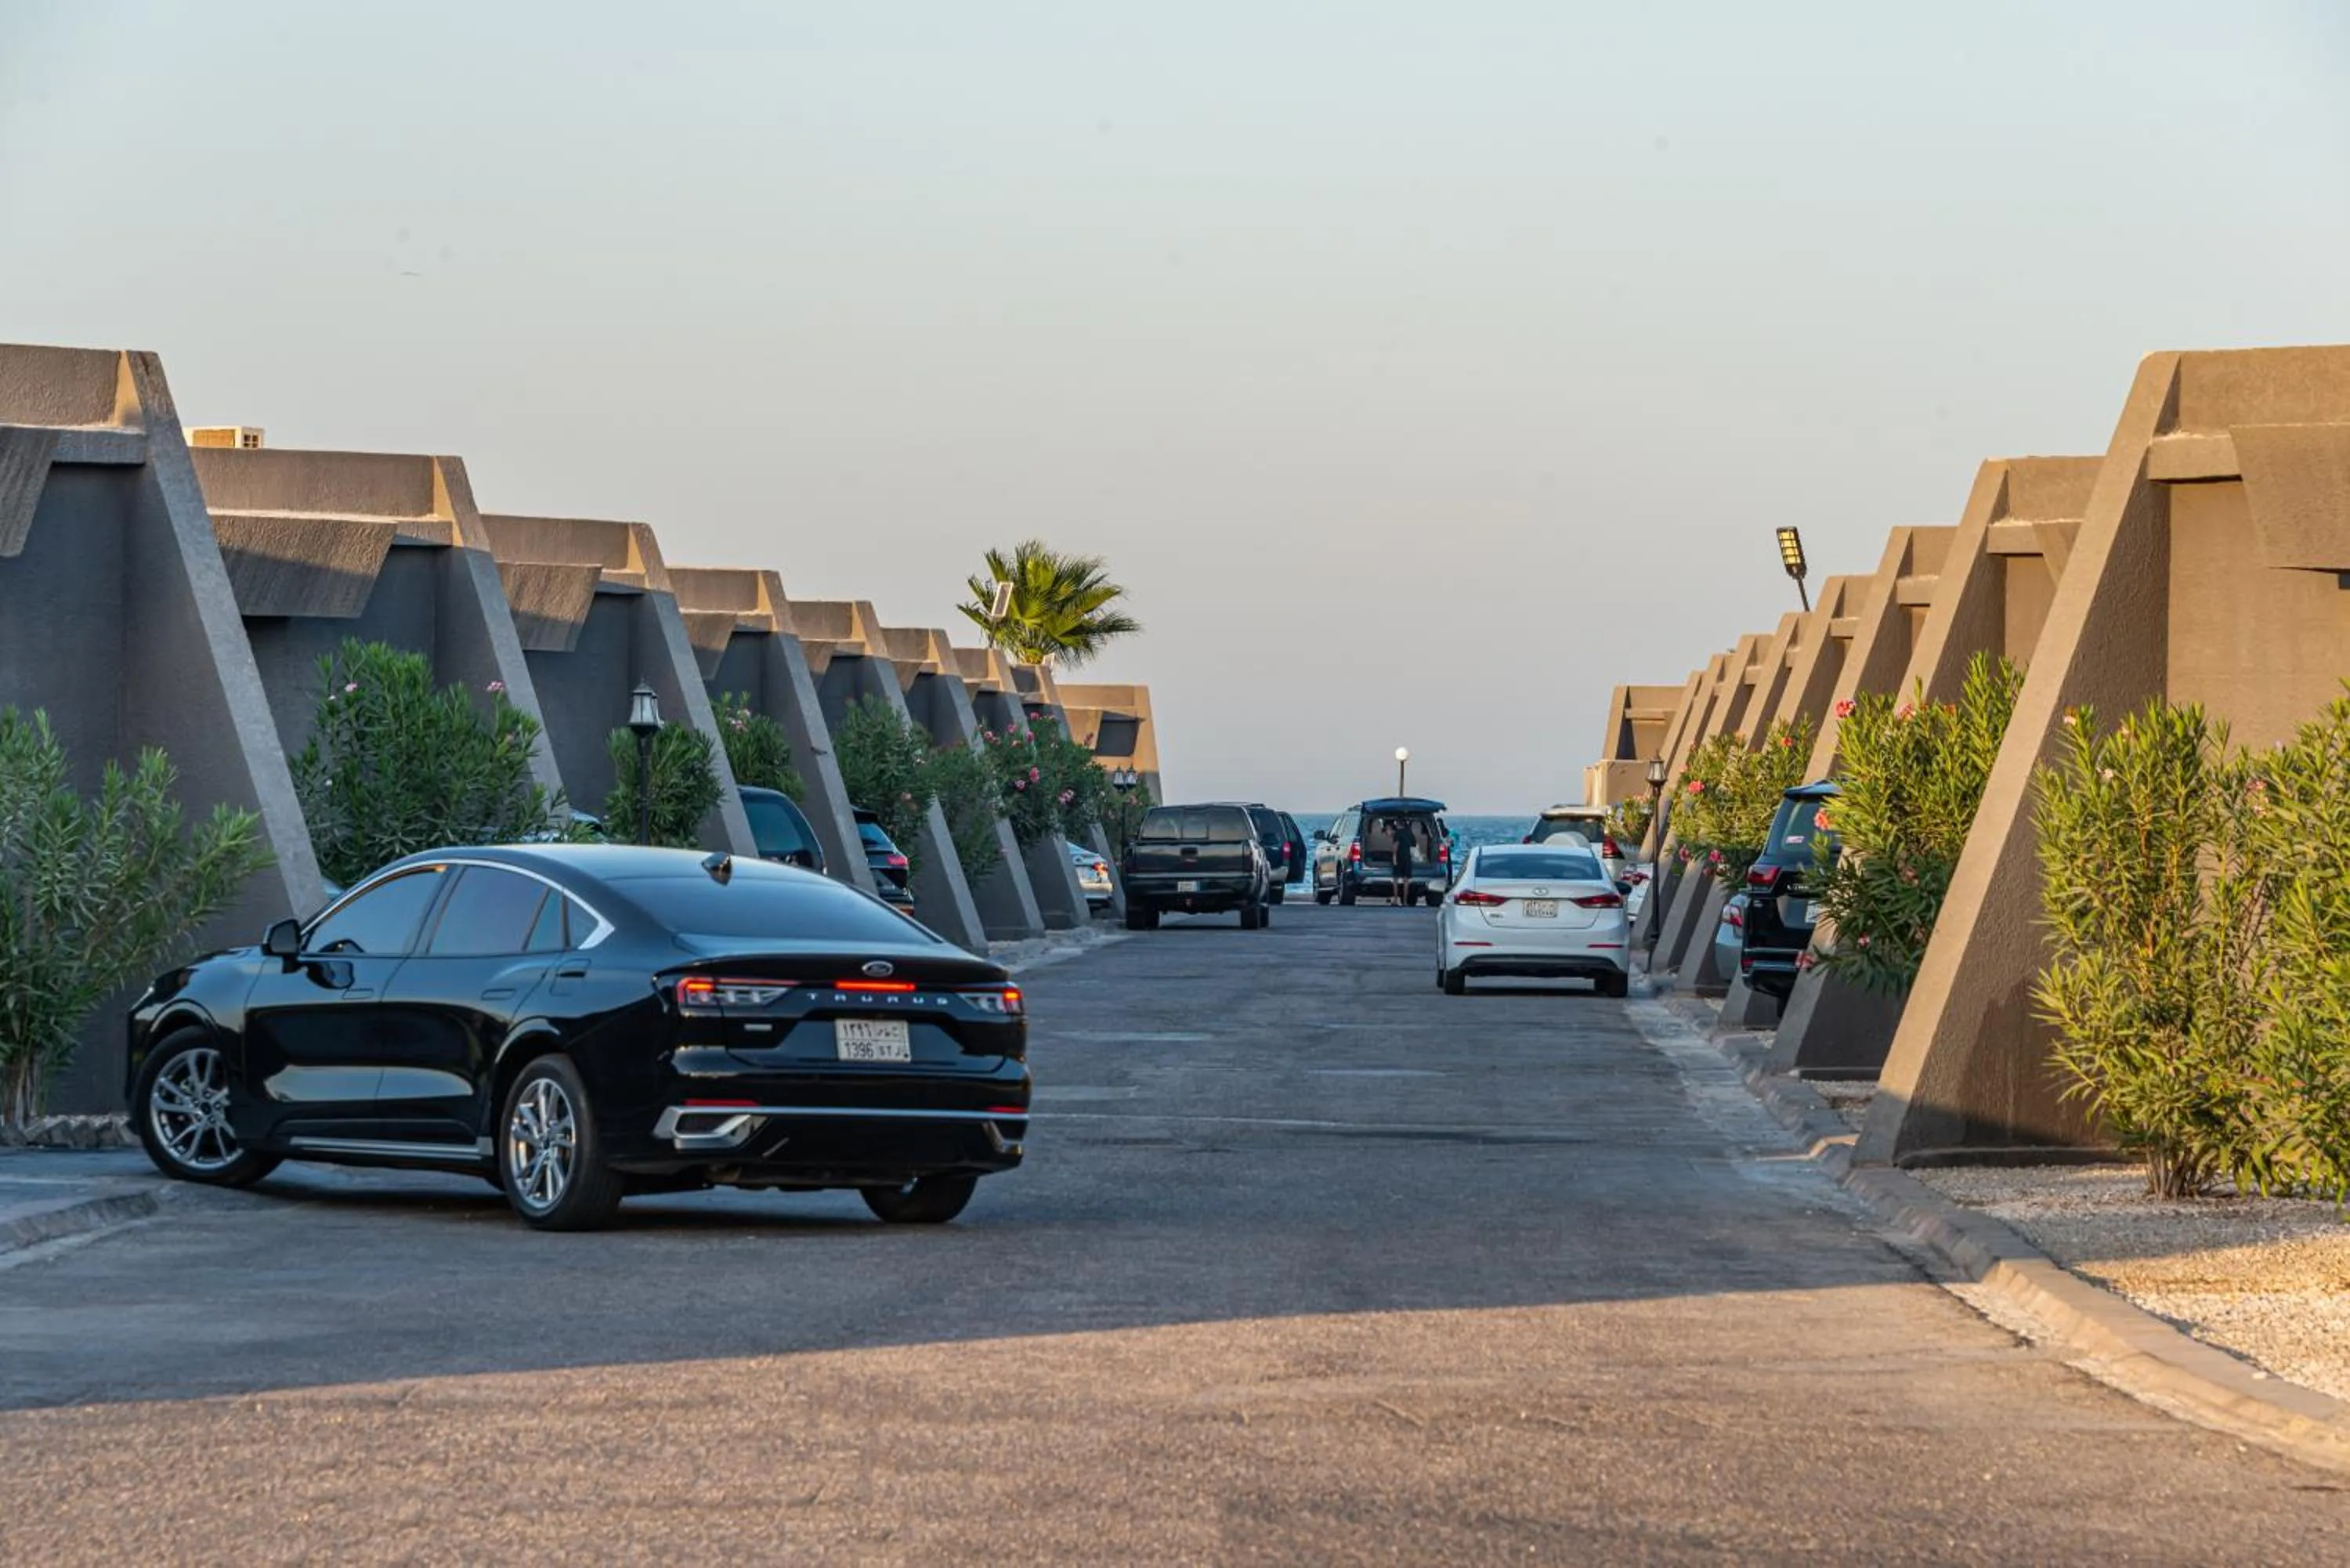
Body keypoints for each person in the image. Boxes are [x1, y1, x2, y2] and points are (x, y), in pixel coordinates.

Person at [1390, 817, 1416, 908]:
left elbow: (1396, 846)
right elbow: (1414, 844)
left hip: (1399, 857)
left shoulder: (1398, 833)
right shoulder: (1409, 832)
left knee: (1395, 879)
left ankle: (1396, 900)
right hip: (1407, 858)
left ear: (1398, 824)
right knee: (1406, 881)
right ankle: (1405, 902)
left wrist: (1394, 857)